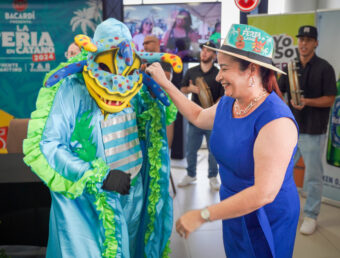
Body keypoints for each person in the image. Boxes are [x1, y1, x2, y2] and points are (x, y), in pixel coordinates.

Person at [23, 18, 183, 257]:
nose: (117, 82)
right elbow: (49, 145)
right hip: (89, 203)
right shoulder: (71, 88)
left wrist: (156, 97)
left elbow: (150, 131)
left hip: (133, 192)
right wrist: (97, 176)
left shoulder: (136, 86)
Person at [146, 24, 300, 258]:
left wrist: (202, 214)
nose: (218, 76)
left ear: (251, 70)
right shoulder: (230, 103)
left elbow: (263, 193)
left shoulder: (275, 121)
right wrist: (166, 85)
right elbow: (197, 116)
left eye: (224, 68)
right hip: (233, 206)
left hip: (266, 214)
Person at [278, 25, 337, 235]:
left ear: (316, 43)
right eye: (300, 39)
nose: (303, 43)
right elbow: (279, 91)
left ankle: (311, 215)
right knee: (282, 173)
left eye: (308, 40)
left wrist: (307, 101)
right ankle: (285, 210)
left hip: (314, 131)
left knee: (312, 176)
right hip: (290, 130)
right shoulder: (290, 67)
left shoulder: (325, 68)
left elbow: (330, 99)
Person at [178, 40, 224, 191]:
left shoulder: (218, 73)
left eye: (208, 50)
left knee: (213, 151)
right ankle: (191, 174)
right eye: (203, 49)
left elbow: (223, 97)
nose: (204, 52)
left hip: (212, 121)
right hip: (195, 119)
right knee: (191, 149)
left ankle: (212, 177)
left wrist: (213, 105)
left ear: (214, 55)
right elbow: (182, 89)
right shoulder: (192, 72)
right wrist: (192, 89)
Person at [143, 34, 176, 148]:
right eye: (143, 43)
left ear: (157, 44)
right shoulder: (142, 61)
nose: (144, 45)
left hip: (163, 104)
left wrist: (147, 73)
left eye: (148, 42)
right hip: (145, 104)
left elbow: (166, 79)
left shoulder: (164, 60)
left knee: (164, 146)